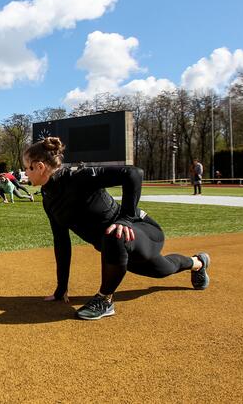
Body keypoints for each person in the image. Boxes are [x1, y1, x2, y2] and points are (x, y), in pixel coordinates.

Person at [24, 137, 210, 321]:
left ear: (40, 167)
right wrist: (61, 287)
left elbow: (134, 173)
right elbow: (61, 242)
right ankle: (198, 262)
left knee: (113, 234)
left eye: (26, 167)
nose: (25, 173)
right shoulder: (49, 199)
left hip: (141, 229)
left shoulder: (77, 177)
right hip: (118, 247)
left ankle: (104, 300)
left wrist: (126, 219)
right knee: (163, 270)